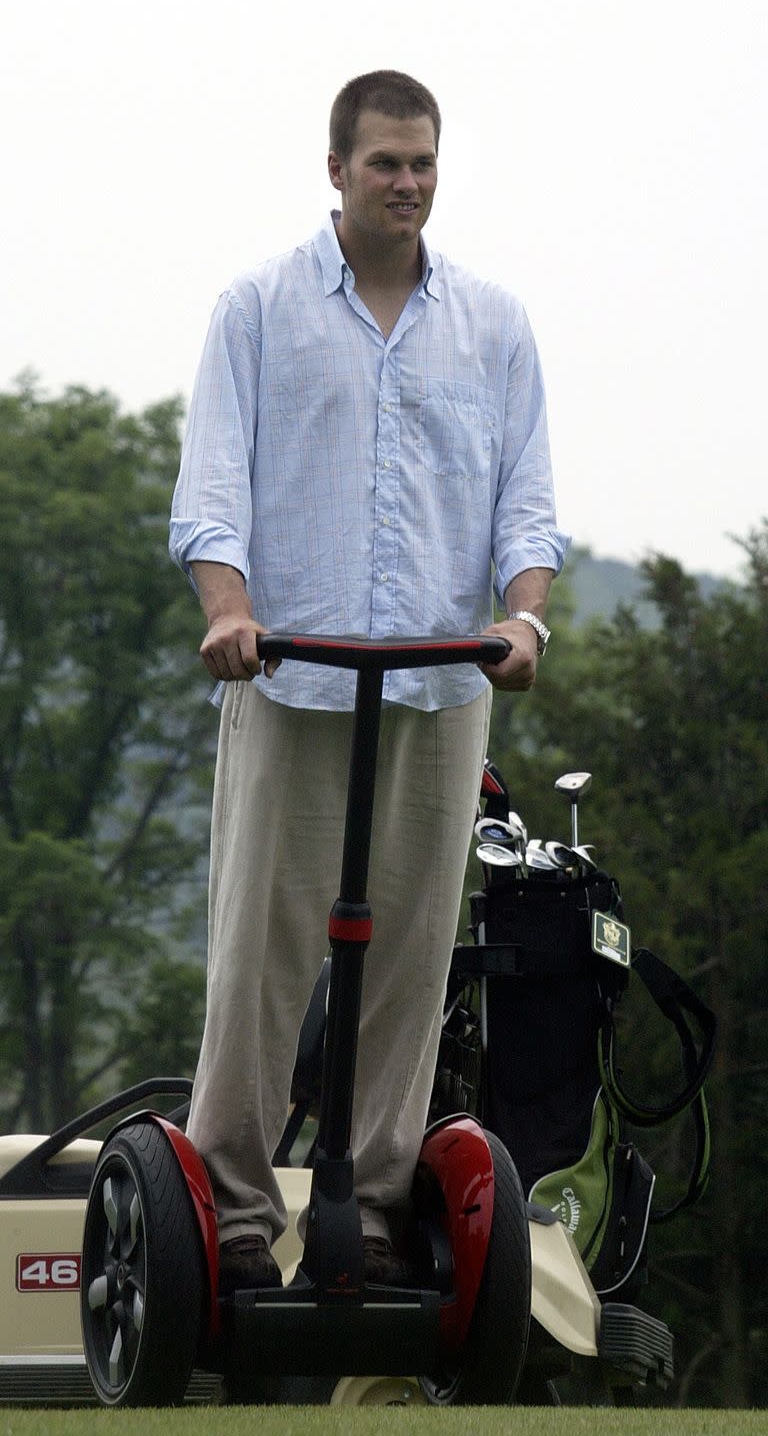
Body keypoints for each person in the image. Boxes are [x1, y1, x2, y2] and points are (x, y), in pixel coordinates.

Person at [170, 69, 569, 1293]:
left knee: (409, 959)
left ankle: (387, 1213)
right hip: (295, 679)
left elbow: (529, 510)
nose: (408, 182)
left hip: (443, 691)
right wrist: (230, 613)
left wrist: (522, 621)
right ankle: (235, 1219)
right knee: (264, 951)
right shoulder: (258, 309)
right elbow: (213, 492)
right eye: (386, 161)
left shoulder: (493, 324)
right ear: (336, 169)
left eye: (424, 162)